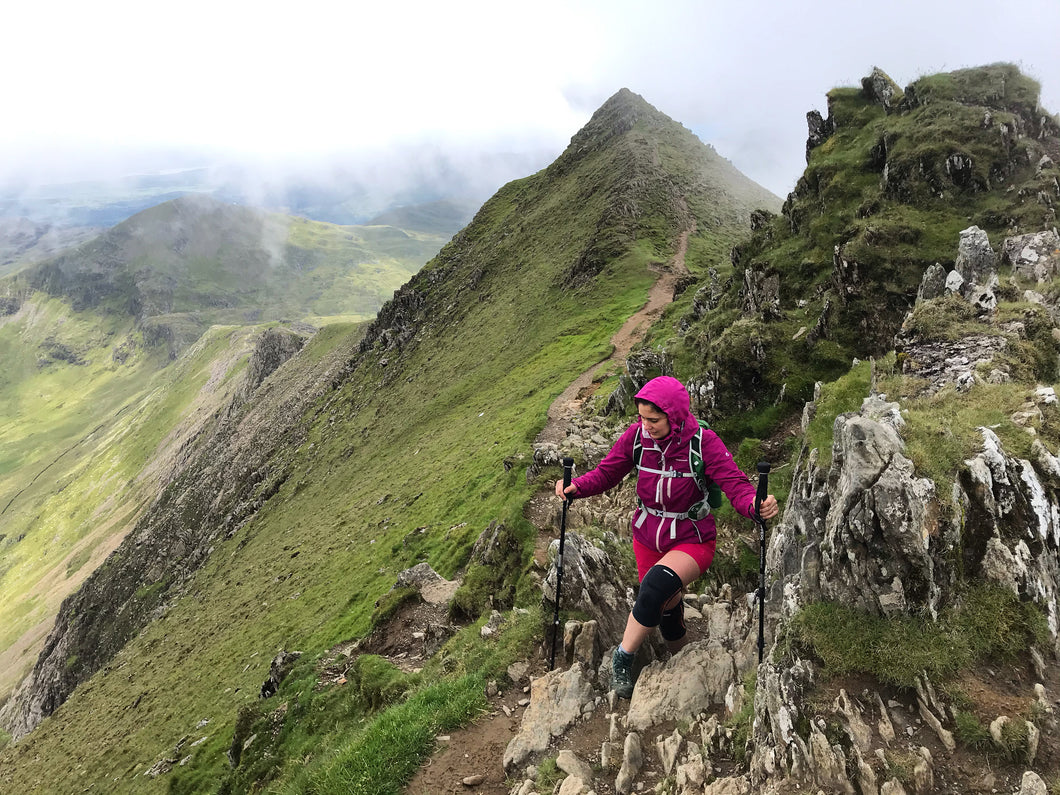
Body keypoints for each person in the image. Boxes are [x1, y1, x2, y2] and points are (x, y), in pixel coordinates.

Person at [555, 375, 779, 698]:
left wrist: (755, 506)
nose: (646, 426)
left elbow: (736, 484)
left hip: (692, 538)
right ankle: (680, 655)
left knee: (654, 587)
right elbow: (608, 471)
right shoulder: (637, 438)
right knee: (664, 606)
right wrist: (577, 487)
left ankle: (623, 657)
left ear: (673, 417)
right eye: (642, 418)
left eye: (654, 420)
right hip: (646, 536)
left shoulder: (703, 443)